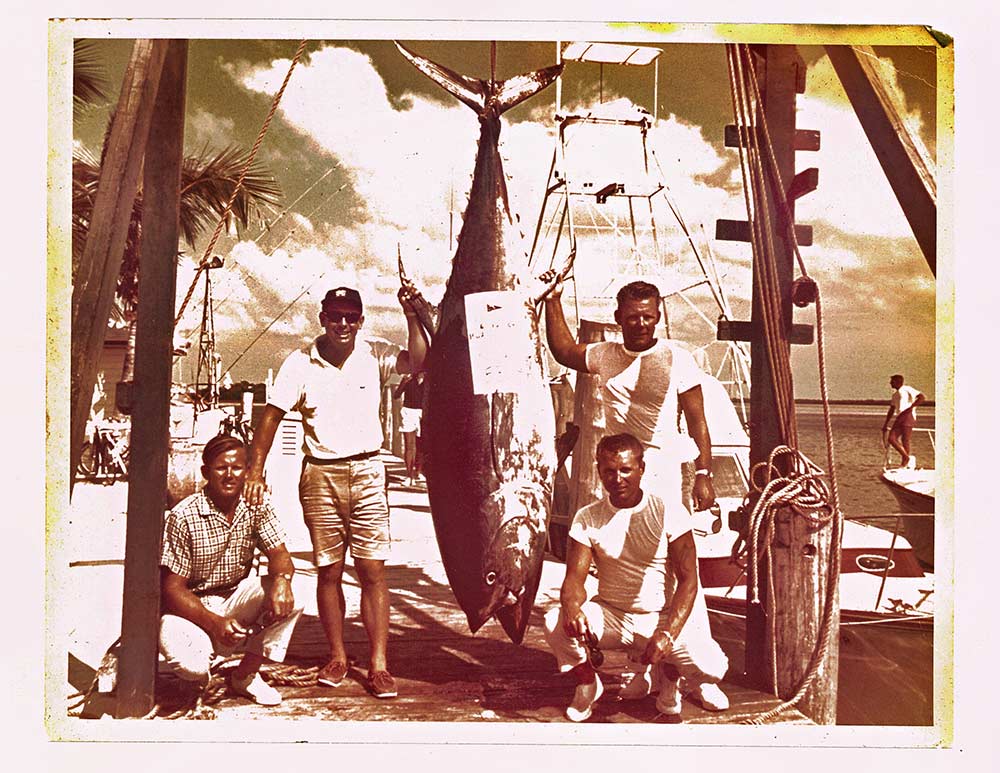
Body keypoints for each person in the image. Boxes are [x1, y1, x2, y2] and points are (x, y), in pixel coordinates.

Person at [245, 285, 427, 700]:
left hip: (367, 470)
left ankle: (379, 664)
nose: (343, 324)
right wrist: (255, 471)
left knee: (372, 571)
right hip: (319, 475)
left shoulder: (376, 354)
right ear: (322, 317)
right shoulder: (298, 363)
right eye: (335, 316)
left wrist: (412, 315)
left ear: (361, 321)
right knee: (329, 570)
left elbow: (420, 360)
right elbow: (271, 418)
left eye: (351, 317)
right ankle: (338, 656)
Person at [543, 433, 729, 722]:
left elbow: (689, 580)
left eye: (625, 470)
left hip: (659, 617)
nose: (617, 478)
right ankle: (587, 684)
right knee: (553, 621)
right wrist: (573, 608)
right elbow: (574, 581)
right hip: (613, 615)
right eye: (609, 471)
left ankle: (670, 678)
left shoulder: (669, 512)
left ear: (641, 468)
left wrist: (668, 633)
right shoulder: (587, 517)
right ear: (599, 471)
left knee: (712, 666)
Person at [159, 434, 304, 706]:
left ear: (248, 471)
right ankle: (198, 677)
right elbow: (171, 589)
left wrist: (282, 580)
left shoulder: (255, 505)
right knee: (192, 667)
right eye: (220, 468)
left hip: (234, 598)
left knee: (297, 592)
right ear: (206, 472)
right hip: (190, 607)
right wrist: (214, 623)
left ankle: (246, 675)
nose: (229, 475)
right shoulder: (183, 515)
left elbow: (280, 554)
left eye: (237, 467)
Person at [393, 350, 426, 487]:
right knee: (409, 446)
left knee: (422, 445)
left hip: (424, 413)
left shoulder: (428, 378)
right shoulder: (407, 378)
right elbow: (396, 395)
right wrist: (403, 383)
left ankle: (418, 472)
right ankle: (409, 475)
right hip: (408, 412)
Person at [883, 374, 926, 469]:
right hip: (899, 417)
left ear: (897, 382)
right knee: (892, 438)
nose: (890, 383)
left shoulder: (907, 389)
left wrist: (911, 407)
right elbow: (891, 410)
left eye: (892, 381)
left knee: (905, 439)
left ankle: (905, 463)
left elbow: (922, 397)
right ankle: (906, 458)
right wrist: (886, 423)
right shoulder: (895, 395)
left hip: (908, 416)